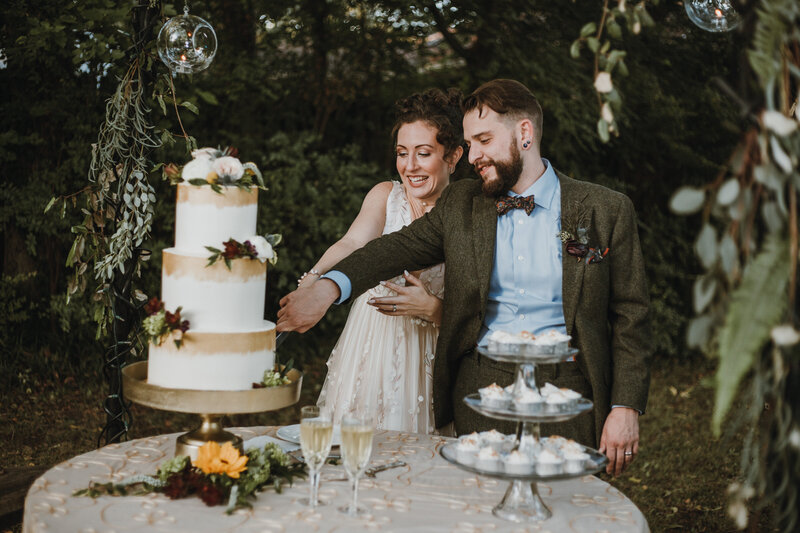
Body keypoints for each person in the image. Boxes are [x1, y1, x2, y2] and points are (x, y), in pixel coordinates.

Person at [278, 79, 651, 477]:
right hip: (479, 399)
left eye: (484, 140)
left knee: (567, 512)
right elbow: (391, 249)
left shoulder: (605, 210)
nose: (474, 156)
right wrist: (328, 288)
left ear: (524, 134)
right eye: (470, 144)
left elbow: (631, 315)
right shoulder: (463, 204)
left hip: (572, 399)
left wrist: (625, 406)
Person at [296, 88, 464, 434]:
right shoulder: (386, 196)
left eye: (424, 153)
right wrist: (315, 278)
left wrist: (435, 308)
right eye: (403, 153)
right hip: (371, 343)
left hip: (432, 348)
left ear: (454, 156)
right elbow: (353, 242)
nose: (410, 166)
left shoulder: (467, 212)